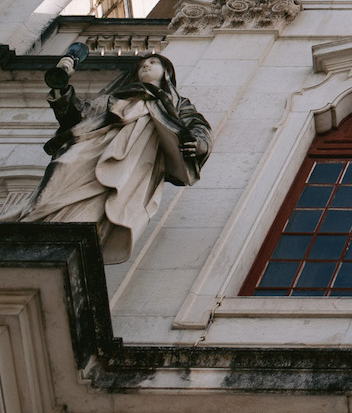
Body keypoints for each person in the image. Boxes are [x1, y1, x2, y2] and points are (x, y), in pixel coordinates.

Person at [6, 54, 211, 264]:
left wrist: (199, 144)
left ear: (166, 72)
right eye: (141, 65)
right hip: (94, 146)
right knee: (62, 166)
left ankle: (65, 239)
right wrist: (62, 90)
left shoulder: (176, 104)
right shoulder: (117, 97)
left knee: (102, 201)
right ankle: (34, 224)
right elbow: (79, 113)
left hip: (134, 161)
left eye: (153, 62)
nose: (146, 66)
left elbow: (198, 125)